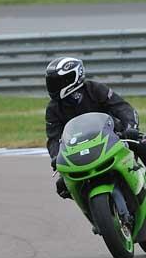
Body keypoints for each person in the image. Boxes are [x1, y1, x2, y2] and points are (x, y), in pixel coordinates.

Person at [45, 56, 143, 198]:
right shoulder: (53, 108)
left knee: (143, 142)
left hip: (113, 138)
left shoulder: (94, 89)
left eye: (58, 82)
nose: (52, 86)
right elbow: (53, 138)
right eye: (51, 82)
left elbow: (122, 107)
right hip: (79, 150)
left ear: (73, 77)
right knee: (62, 187)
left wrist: (131, 128)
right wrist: (56, 157)